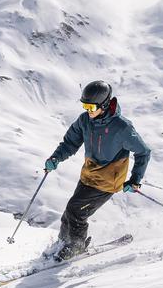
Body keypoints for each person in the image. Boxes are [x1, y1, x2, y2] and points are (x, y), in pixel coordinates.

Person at [44, 80, 151, 260]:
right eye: (85, 106)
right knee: (68, 213)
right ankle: (63, 242)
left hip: (109, 180)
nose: (88, 111)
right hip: (89, 174)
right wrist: (56, 157)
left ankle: (76, 246)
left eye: (91, 107)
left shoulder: (121, 127)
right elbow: (70, 143)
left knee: (76, 211)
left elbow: (143, 151)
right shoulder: (85, 120)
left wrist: (135, 180)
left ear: (104, 105)